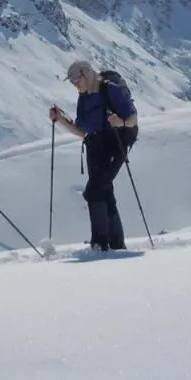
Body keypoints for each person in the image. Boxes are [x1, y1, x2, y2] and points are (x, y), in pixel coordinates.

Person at [48, 60, 138, 250]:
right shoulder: (84, 98)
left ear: (86, 74)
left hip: (116, 142)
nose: (75, 84)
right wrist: (61, 119)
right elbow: (83, 131)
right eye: (72, 82)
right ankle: (116, 243)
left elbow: (133, 119)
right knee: (104, 190)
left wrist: (120, 122)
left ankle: (100, 242)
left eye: (76, 80)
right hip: (96, 144)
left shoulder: (110, 90)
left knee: (95, 190)